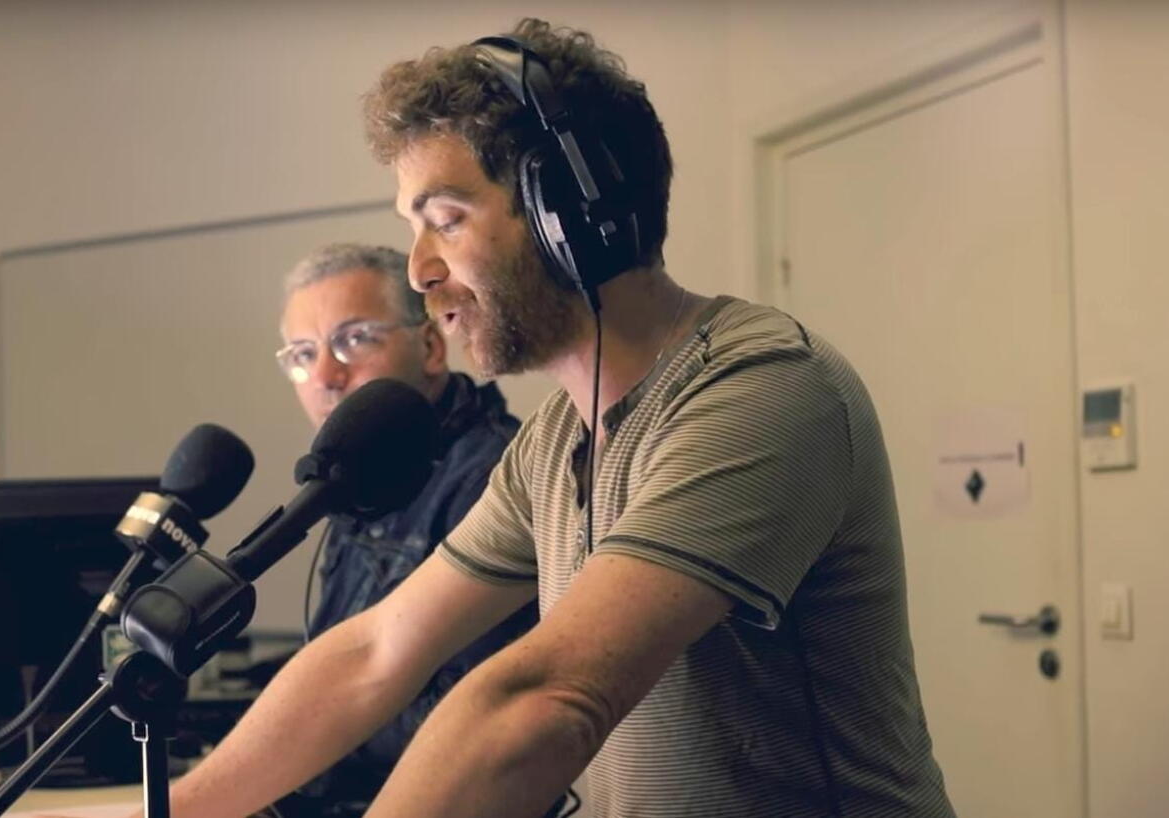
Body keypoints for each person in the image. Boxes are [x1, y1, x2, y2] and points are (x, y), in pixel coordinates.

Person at [172, 19, 954, 817]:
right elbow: (374, 654)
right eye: (414, 229)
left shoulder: (763, 389)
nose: (420, 270)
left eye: (446, 220)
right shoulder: (550, 445)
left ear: (567, 216)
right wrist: (171, 810)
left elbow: (543, 701)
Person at [267, 243, 532, 815]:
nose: (326, 376)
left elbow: (470, 715)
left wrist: (295, 735)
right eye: (304, 353)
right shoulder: (362, 471)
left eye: (354, 340)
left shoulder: (492, 478)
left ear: (431, 346)